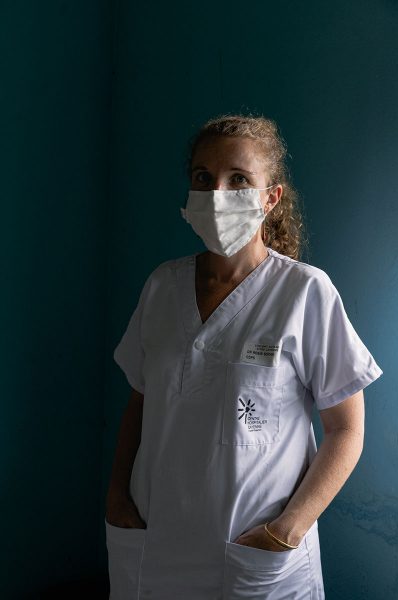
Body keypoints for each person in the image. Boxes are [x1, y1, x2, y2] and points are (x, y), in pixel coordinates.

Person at [104, 114, 383, 600]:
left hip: (254, 553)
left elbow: (347, 429)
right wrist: (116, 496)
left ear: (269, 197)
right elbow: (140, 400)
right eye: (202, 178)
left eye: (238, 180)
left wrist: (288, 530)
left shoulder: (303, 292)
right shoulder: (162, 287)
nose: (217, 194)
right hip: (153, 541)